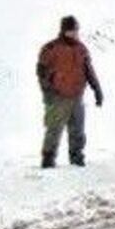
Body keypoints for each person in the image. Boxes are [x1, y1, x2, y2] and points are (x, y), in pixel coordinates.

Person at [36, 16, 103, 168]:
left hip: (77, 96)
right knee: (54, 129)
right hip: (58, 96)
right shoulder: (51, 49)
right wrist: (48, 91)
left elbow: (89, 71)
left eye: (76, 30)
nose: (75, 33)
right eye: (72, 30)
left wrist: (97, 89)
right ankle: (48, 159)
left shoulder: (81, 49)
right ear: (64, 30)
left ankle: (77, 158)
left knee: (78, 130)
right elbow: (41, 71)